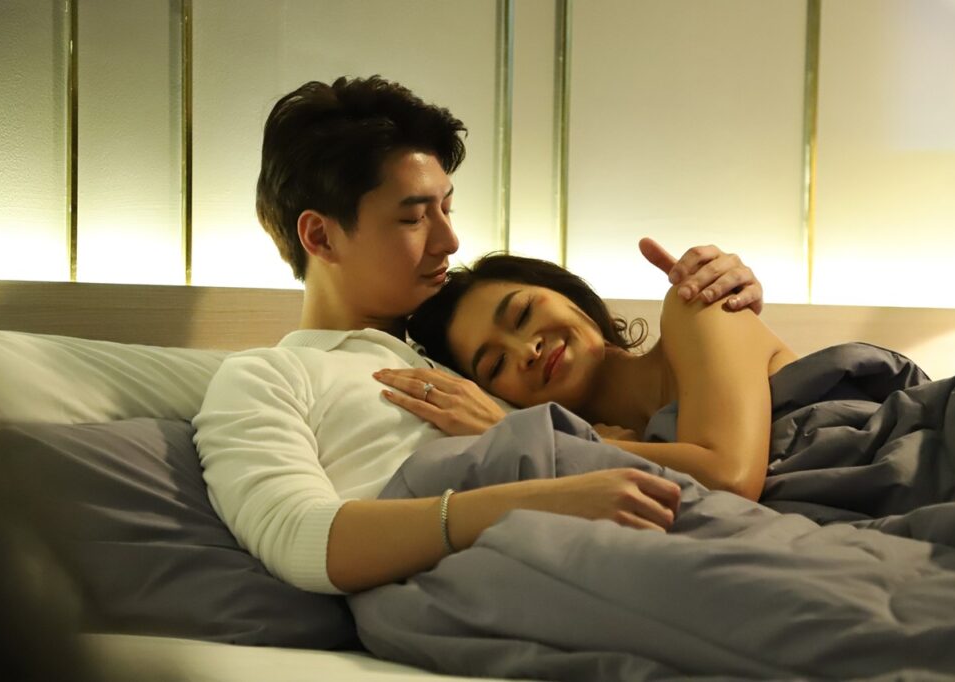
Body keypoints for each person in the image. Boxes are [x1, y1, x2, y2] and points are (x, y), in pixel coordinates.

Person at [192, 75, 768, 595]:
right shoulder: (269, 377)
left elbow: (672, 429)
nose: (449, 241)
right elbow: (299, 536)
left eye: (447, 208)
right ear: (320, 237)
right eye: (414, 217)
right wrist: (533, 495)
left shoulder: (468, 362)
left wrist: (729, 319)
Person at [393, 250, 798, 502]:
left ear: (566, 293)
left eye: (523, 313)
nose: (527, 351)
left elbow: (729, 479)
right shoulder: (593, 481)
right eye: (496, 365)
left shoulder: (696, 307)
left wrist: (529, 436)